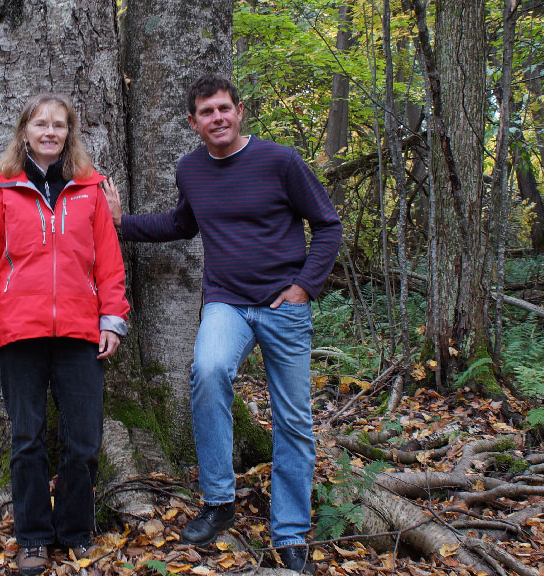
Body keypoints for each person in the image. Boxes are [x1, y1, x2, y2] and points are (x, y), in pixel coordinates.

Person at [103, 74, 341, 575]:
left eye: (224, 109)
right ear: (193, 122)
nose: (217, 118)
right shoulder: (190, 169)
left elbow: (327, 224)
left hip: (284, 304)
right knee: (208, 372)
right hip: (227, 303)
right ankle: (218, 501)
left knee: (293, 419)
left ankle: (290, 533)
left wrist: (304, 286)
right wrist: (121, 224)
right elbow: (182, 223)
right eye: (206, 112)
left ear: (239, 111)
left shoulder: (281, 161)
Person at [0, 93, 130, 576]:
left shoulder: (90, 189)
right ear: (25, 132)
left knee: (84, 441)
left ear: (69, 133)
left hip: (80, 332)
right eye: (41, 124)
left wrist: (112, 319)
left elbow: (109, 263)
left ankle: (75, 531)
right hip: (19, 334)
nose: (50, 132)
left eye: (59, 125)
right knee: (27, 439)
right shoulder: (3, 191)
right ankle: (33, 537)